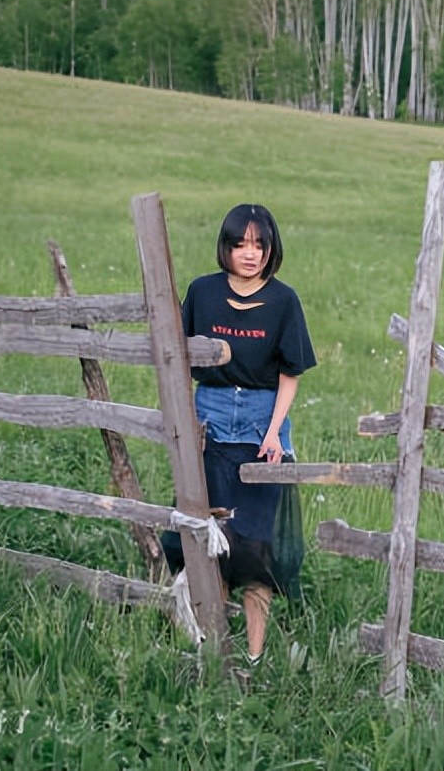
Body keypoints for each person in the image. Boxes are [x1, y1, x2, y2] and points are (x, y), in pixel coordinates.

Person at [162, 203, 317, 664]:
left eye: (259, 244)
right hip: (208, 421)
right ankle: (213, 646)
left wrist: (273, 435)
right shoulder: (202, 293)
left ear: (271, 250)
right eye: (240, 244)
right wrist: (185, 428)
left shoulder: (284, 301)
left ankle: (252, 656)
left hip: (259, 424)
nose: (250, 254)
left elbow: (290, 373)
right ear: (225, 248)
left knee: (256, 548)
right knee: (209, 535)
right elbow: (179, 359)